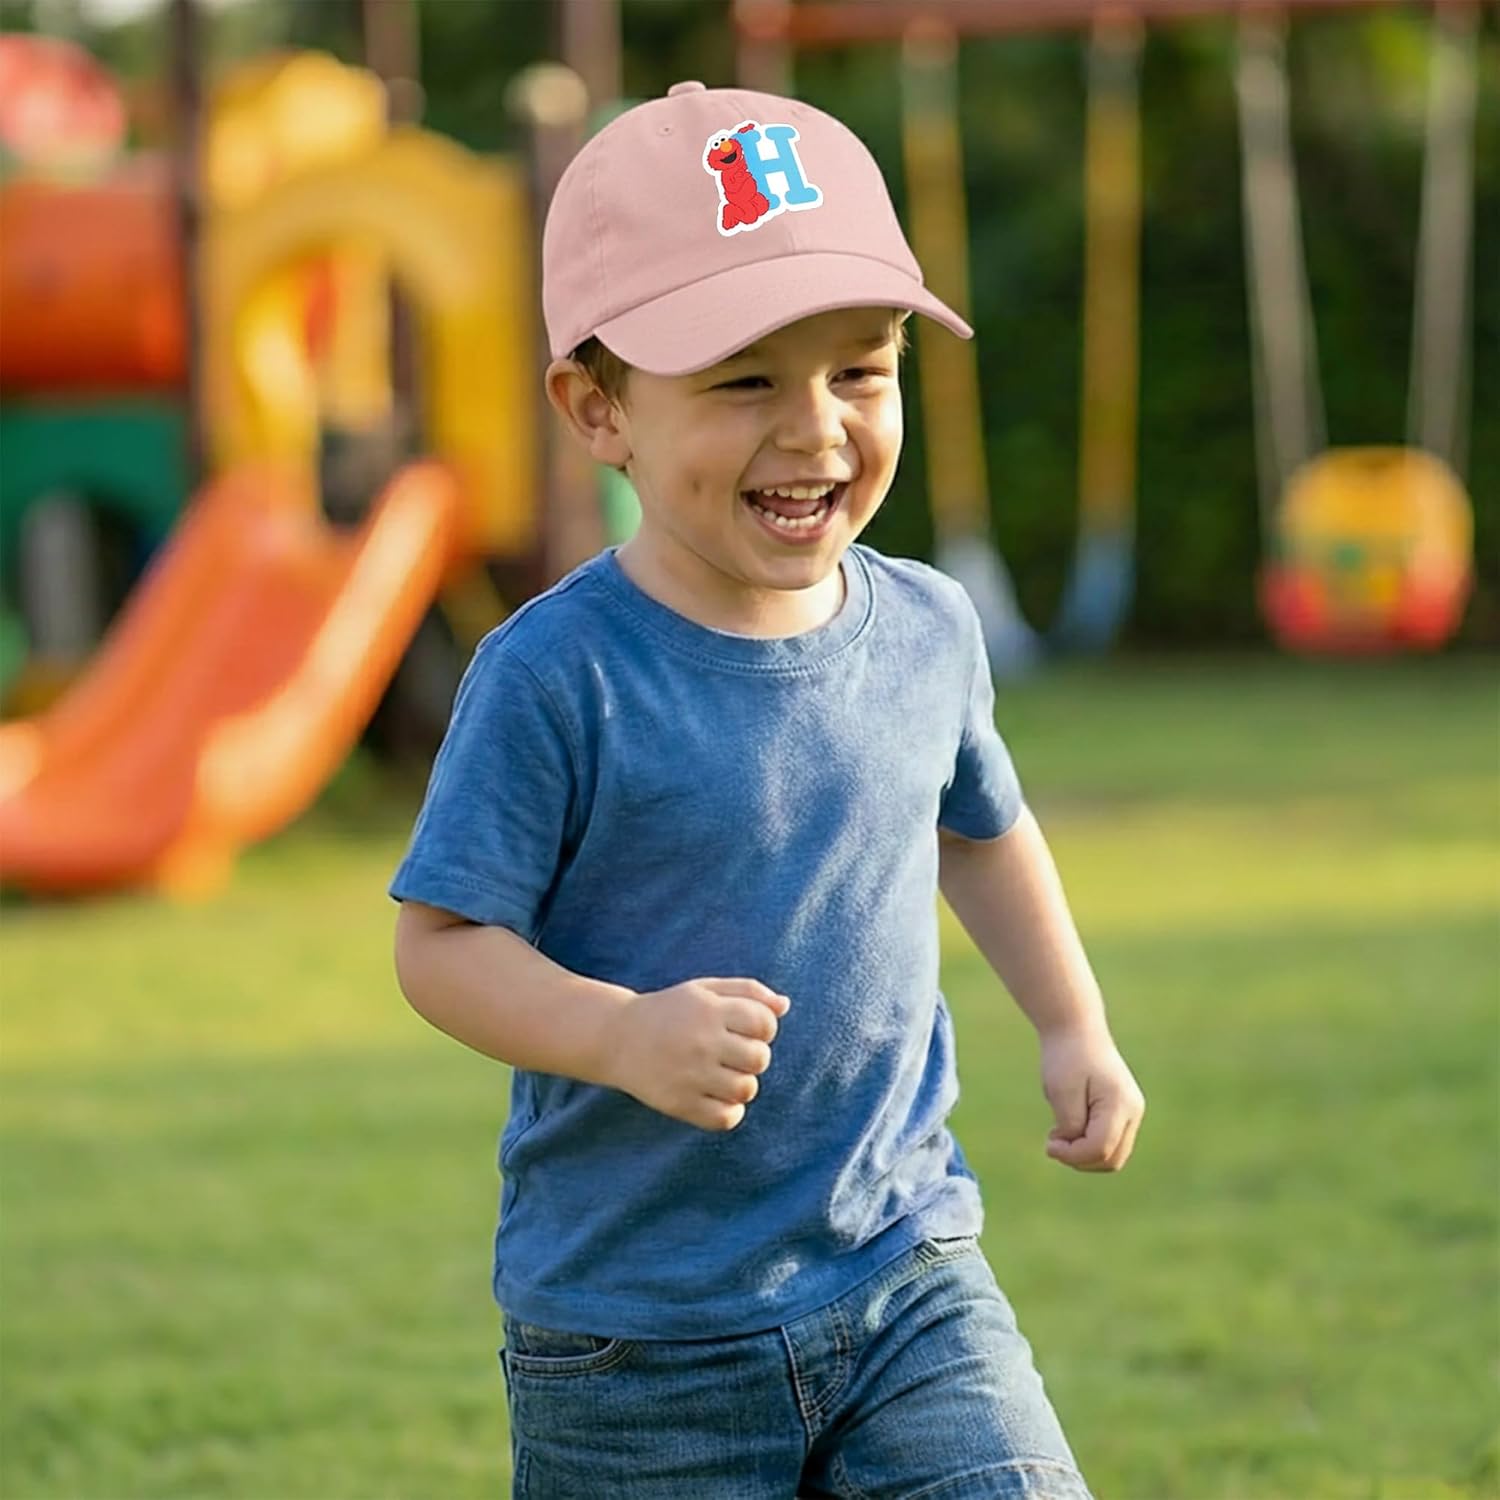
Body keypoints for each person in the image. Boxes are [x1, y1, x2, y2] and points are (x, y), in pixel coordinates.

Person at [391, 81, 1145, 1500]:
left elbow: (981, 832)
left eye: (860, 371)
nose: (815, 431)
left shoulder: (927, 627)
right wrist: (618, 1034)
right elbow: (439, 946)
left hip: (905, 1266)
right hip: (634, 1340)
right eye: (744, 382)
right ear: (599, 408)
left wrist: (1072, 1023)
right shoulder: (555, 675)